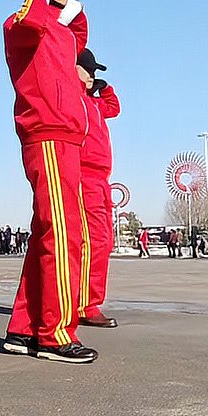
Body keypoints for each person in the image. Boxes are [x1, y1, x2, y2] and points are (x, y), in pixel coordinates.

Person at [0, 0, 100, 364]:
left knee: (49, 230)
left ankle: (24, 329)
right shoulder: (23, 20)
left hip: (66, 135)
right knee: (63, 234)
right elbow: (28, 22)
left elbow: (78, 41)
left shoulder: (55, 31)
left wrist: (73, 16)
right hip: (48, 133)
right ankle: (54, 334)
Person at [76, 48, 122, 329]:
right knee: (91, 241)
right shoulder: (74, 100)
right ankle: (85, 303)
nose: (93, 76)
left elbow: (113, 108)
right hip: (83, 176)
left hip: (101, 178)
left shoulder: (93, 104)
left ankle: (90, 299)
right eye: (88, 70)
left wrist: (104, 90)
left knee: (104, 241)